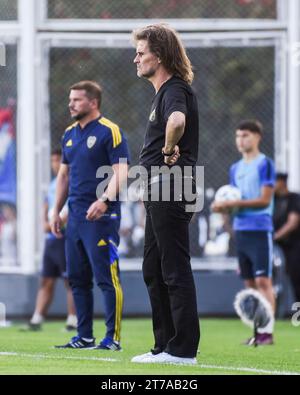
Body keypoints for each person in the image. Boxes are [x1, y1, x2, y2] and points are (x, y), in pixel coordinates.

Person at [131, 24, 200, 365]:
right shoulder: (163, 92)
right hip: (160, 188)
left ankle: (183, 350)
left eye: (141, 53)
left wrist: (169, 148)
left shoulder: (175, 90)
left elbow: (176, 122)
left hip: (171, 185)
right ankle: (165, 346)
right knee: (153, 267)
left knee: (173, 267)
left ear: (159, 55)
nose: (136, 59)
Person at [51, 81, 129, 350]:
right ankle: (84, 336)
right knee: (77, 279)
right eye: (70, 99)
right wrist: (55, 210)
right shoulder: (69, 134)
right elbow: (64, 175)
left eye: (77, 100)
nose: (71, 104)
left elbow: (122, 171)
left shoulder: (110, 131)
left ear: (93, 102)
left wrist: (105, 201)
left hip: (102, 219)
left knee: (107, 278)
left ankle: (113, 338)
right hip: (74, 219)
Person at [212, 120, 276, 346]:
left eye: (246, 135)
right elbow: (232, 199)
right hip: (241, 231)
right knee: (249, 284)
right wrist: (221, 208)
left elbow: (265, 200)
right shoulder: (235, 168)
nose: (241, 140)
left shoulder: (265, 164)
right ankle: (258, 332)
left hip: (259, 229)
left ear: (257, 137)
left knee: (263, 281)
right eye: (238, 136)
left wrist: (236, 203)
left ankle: (267, 333)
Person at [23, 149, 77, 331]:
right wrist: (45, 222)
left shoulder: (72, 181)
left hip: (64, 236)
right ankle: (37, 319)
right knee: (46, 279)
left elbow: (72, 206)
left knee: (69, 280)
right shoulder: (54, 183)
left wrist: (58, 223)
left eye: (57, 160)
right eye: (52, 160)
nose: (55, 164)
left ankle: (73, 319)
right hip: (51, 238)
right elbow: (46, 204)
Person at [273, 172, 300, 303]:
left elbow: (293, 223)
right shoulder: (272, 200)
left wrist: (275, 236)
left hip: (294, 245)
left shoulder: (294, 198)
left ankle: (298, 313)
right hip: (278, 246)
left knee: (297, 278)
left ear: (282, 182)